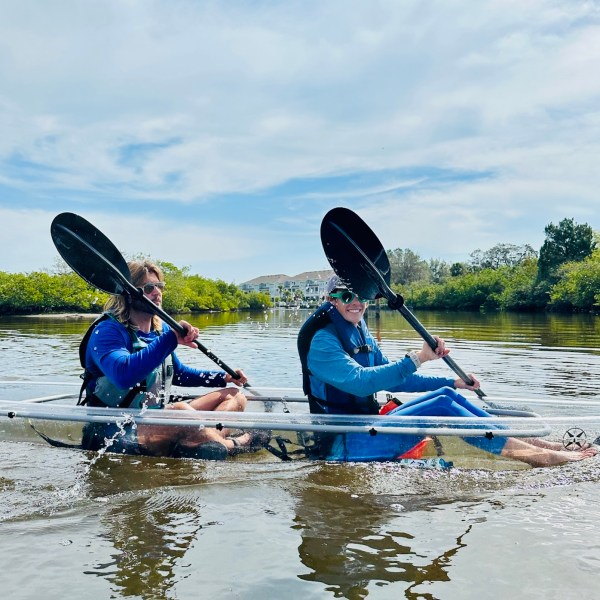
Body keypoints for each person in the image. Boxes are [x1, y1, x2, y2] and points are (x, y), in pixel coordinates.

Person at [297, 275, 597, 467]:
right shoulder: (322, 340)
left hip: (366, 425)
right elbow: (361, 384)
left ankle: (544, 445)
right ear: (331, 300)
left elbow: (396, 377)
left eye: (362, 296)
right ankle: (542, 458)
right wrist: (419, 357)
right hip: (341, 441)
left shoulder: (357, 328)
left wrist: (454, 381)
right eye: (347, 296)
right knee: (441, 405)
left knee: (445, 395)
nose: (357, 303)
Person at [80, 260, 269, 459]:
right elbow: (122, 375)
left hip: (156, 417)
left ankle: (201, 441)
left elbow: (177, 374)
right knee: (180, 411)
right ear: (128, 293)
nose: (157, 293)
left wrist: (223, 377)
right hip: (116, 429)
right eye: (149, 288)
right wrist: (170, 339)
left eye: (159, 286)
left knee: (234, 396)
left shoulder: (157, 331)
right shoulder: (107, 331)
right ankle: (230, 444)